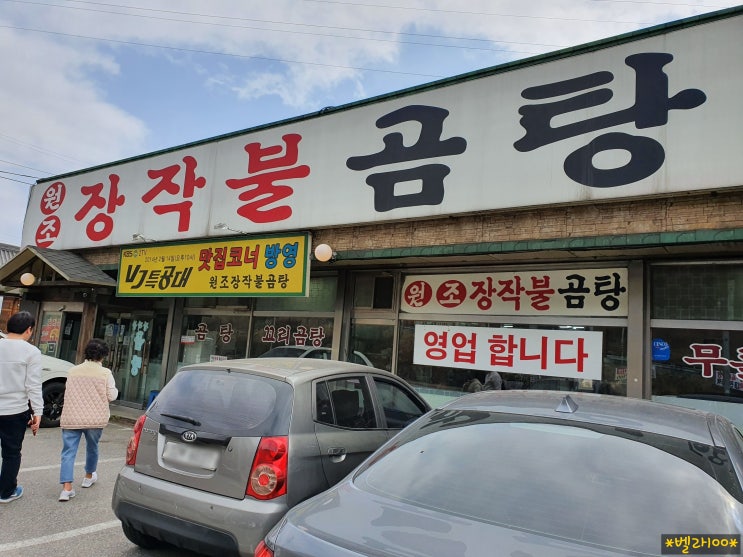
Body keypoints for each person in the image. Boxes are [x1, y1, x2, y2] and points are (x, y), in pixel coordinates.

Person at [58, 338, 118, 502]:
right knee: (92, 447)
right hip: (95, 418)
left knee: (68, 452)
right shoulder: (105, 373)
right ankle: (88, 476)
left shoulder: (73, 371)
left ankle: (66, 488)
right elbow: (112, 396)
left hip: (72, 416)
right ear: (103, 356)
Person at [0, 311, 42, 504]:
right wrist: (38, 413)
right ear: (29, 330)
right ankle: (6, 492)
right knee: (11, 453)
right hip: (15, 411)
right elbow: (33, 386)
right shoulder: (31, 352)